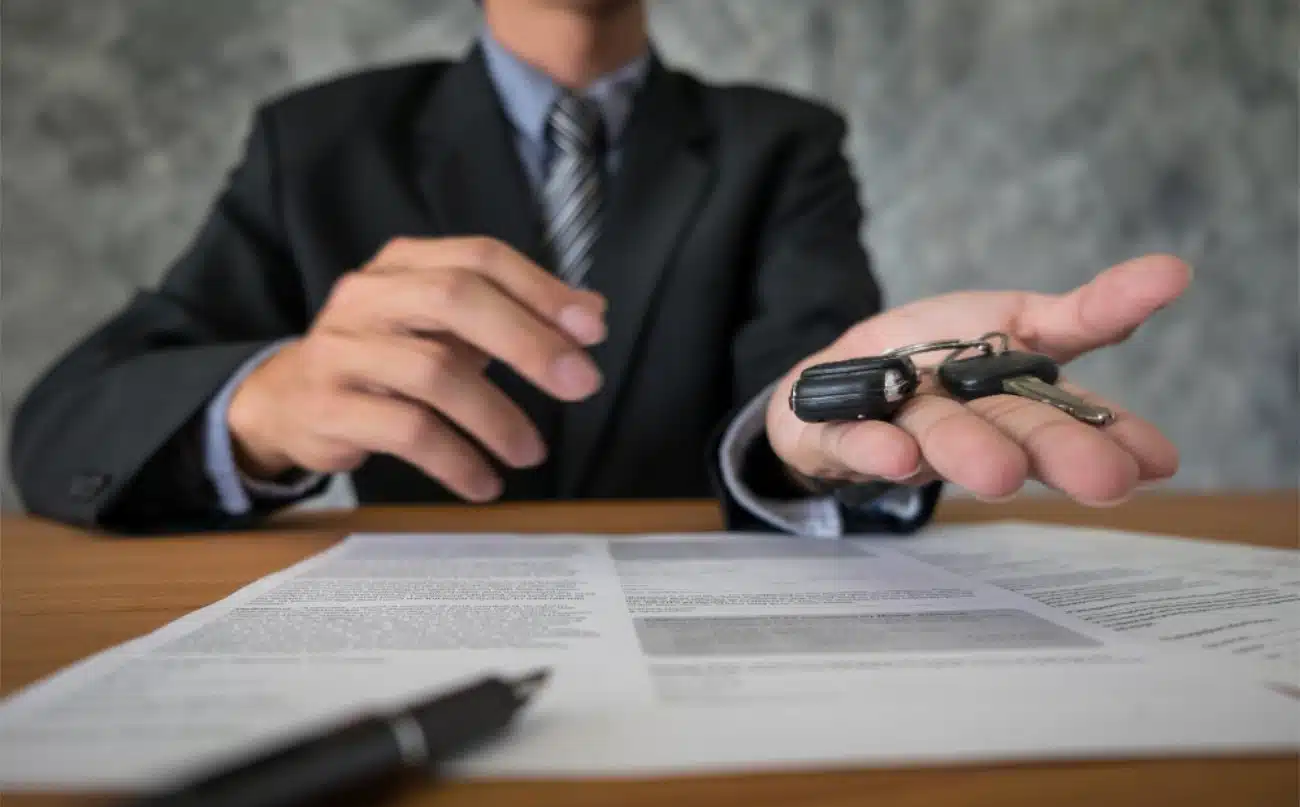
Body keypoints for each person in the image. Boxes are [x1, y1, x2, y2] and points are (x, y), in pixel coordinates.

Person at [9, 0, 1181, 536]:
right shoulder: (315, 142)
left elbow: (806, 375)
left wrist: (810, 433)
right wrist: (257, 407)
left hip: (712, 654)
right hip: (401, 644)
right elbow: (67, 428)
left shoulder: (782, 140)